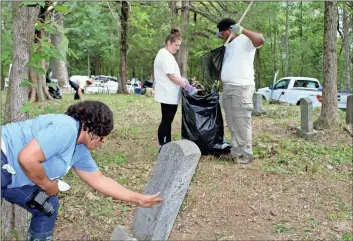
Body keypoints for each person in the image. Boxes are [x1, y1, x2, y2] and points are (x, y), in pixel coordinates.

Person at [1, 101, 163, 241]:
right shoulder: (67, 127)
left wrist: (138, 198)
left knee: (47, 205)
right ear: (88, 125)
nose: (104, 140)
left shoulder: (78, 150)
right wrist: (47, 184)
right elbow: (27, 158)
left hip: (12, 179)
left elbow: (100, 180)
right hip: (3, 160)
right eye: (103, 133)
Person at [215, 18, 265, 164]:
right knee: (231, 120)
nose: (221, 36)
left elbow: (260, 40)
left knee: (242, 120)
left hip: (242, 87)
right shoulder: (228, 44)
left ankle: (246, 154)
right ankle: (235, 150)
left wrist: (242, 30)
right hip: (228, 87)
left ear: (229, 30)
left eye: (222, 33)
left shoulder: (245, 40)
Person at [153, 27, 197, 150]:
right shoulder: (165, 55)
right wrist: (187, 86)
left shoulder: (166, 54)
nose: (178, 48)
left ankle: (167, 144)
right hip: (167, 94)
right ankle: (163, 146)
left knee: (167, 121)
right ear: (169, 43)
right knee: (166, 121)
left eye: (179, 45)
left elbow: (173, 74)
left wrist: (182, 79)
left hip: (169, 93)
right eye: (176, 45)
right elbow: (171, 76)